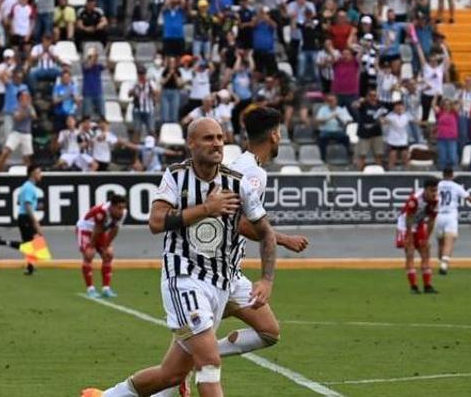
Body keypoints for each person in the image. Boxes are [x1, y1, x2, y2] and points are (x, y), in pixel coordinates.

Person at [87, 118, 277, 397]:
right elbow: (156, 221)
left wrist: (267, 280)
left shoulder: (237, 183)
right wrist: (207, 208)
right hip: (184, 279)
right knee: (209, 362)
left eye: (220, 138)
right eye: (208, 138)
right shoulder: (176, 176)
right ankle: (207, 352)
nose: (216, 144)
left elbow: (266, 233)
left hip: (223, 281)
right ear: (191, 143)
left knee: (171, 374)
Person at [148, 106, 310, 397]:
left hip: (227, 275)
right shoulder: (254, 175)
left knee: (266, 331)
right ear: (275, 136)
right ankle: (202, 360)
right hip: (210, 270)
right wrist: (282, 239)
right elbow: (240, 224)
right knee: (202, 359)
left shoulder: (241, 166)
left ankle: (198, 360)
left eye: (219, 137)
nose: (217, 143)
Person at [435, 167, 471, 274]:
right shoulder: (456, 186)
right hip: (450, 216)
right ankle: (444, 264)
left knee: (440, 242)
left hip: (438, 215)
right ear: (452, 175)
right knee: (450, 240)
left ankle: (441, 262)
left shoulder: (437, 186)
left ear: (442, 175)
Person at [0, 166, 44, 275]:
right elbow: (27, 205)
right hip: (26, 217)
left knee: (32, 243)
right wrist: (35, 222)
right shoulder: (29, 188)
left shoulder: (28, 187)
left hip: (24, 217)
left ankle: (30, 266)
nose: (41, 175)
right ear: (32, 174)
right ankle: (2, 243)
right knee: (32, 244)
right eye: (38, 172)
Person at [77, 194, 127, 298]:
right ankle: (90, 289)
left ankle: (106, 289)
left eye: (123, 208)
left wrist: (106, 246)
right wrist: (91, 246)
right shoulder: (101, 211)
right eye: (119, 208)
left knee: (108, 254)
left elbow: (114, 230)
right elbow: (96, 229)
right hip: (85, 229)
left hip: (100, 230)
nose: (121, 210)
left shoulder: (123, 213)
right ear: (112, 206)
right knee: (89, 255)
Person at [397, 178, 439, 294]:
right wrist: (409, 235)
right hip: (405, 225)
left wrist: (427, 238)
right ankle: (414, 286)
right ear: (425, 190)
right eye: (431, 191)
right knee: (410, 252)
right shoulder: (415, 199)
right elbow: (408, 217)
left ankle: (427, 285)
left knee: (425, 251)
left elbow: (431, 220)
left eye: (435, 191)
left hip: (419, 224)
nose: (434, 193)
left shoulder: (435, 200)